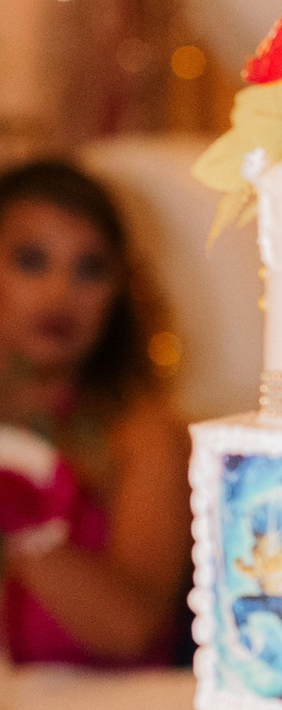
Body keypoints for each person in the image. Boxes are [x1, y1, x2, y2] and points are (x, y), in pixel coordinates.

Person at [0, 159, 191, 670]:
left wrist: (26, 525)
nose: (61, 293)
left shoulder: (143, 433)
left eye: (90, 269)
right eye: (32, 260)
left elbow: (133, 630)